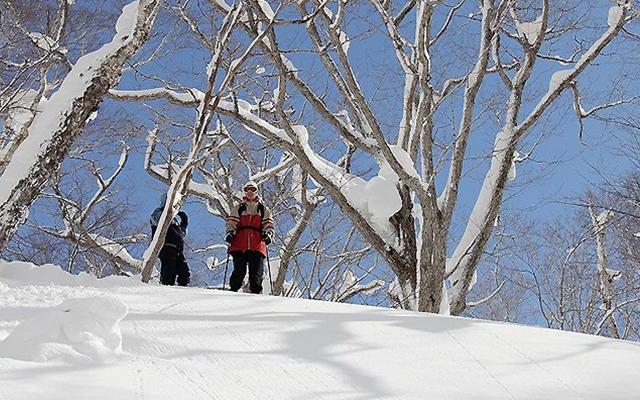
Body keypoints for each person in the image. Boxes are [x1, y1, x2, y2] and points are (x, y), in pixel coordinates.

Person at [225, 181, 274, 293]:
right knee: (239, 270)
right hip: (239, 243)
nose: (250, 192)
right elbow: (231, 222)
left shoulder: (263, 209)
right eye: (247, 189)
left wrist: (268, 234)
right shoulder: (238, 208)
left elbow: (268, 224)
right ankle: (232, 291)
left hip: (257, 244)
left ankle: (256, 295)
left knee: (256, 273)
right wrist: (230, 233)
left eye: (253, 189)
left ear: (257, 192)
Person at [150, 193, 190, 286]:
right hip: (166, 246)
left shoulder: (174, 220)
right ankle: (166, 287)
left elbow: (181, 234)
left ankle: (183, 289)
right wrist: (168, 211)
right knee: (169, 270)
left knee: (184, 271)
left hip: (177, 248)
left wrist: (184, 223)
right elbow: (159, 220)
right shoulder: (158, 213)